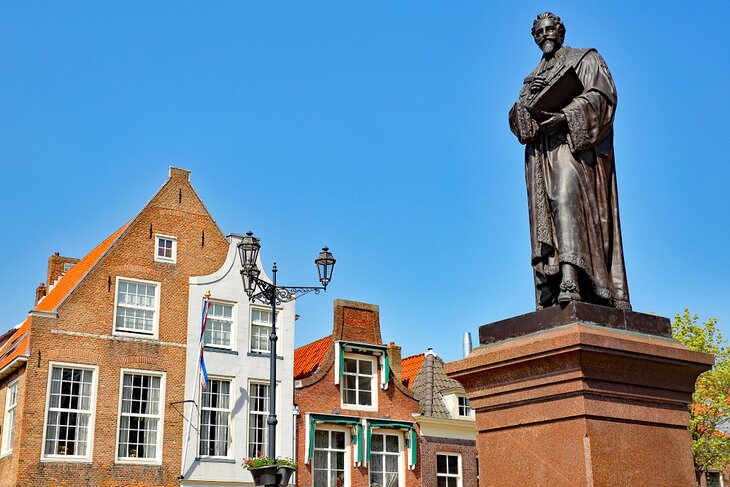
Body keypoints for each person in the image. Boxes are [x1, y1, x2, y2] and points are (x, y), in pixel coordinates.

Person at [508, 12, 631, 311]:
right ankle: (555, 281)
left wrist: (566, 116)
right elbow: (516, 123)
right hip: (541, 158)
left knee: (565, 200)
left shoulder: (584, 59)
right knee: (548, 212)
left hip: (574, 150)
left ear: (561, 31)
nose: (544, 35)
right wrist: (525, 105)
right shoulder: (532, 78)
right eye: (538, 32)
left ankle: (570, 278)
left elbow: (604, 97)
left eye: (549, 29)